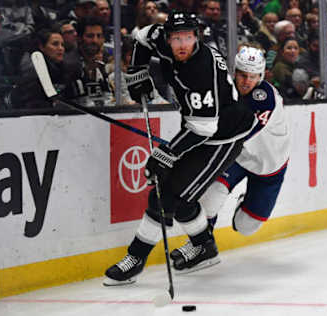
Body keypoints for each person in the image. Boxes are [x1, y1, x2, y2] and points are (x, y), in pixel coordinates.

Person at [103, 11, 256, 285]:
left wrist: (166, 154)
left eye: (188, 37)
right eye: (176, 38)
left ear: (197, 37)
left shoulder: (201, 68)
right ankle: (203, 246)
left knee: (166, 197)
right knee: (176, 196)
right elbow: (140, 37)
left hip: (223, 137)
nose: (182, 44)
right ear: (168, 37)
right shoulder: (159, 38)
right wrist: (137, 71)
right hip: (199, 129)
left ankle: (136, 258)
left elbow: (204, 128)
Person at [170, 46, 290, 265]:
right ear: (235, 72)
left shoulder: (265, 98)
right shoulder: (224, 92)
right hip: (235, 158)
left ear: (261, 76)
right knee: (211, 197)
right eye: (243, 74)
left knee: (246, 227)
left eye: (253, 77)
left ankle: (245, 202)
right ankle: (201, 246)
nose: (246, 81)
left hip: (269, 166)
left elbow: (238, 131)